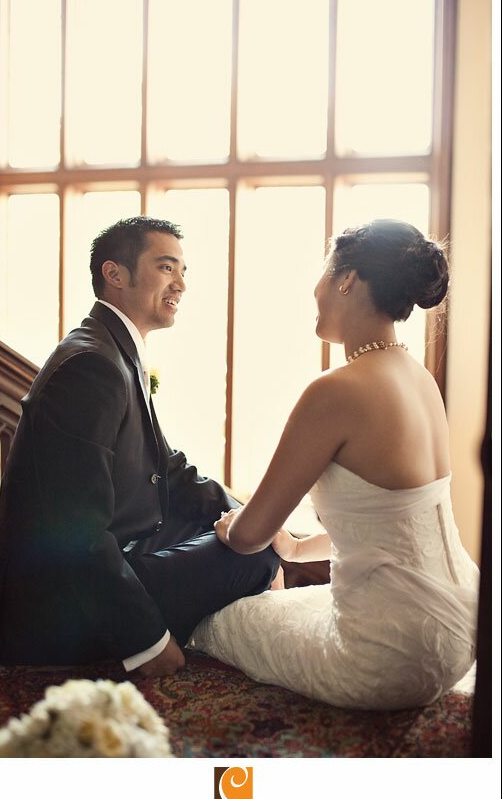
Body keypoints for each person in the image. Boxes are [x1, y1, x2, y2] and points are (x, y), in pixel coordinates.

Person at [192, 219, 479, 711]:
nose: (317, 286)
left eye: (324, 270)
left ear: (346, 279)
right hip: (463, 627)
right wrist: (297, 547)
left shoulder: (335, 390)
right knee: (287, 607)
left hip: (389, 655)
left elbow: (247, 537)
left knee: (210, 623)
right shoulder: (420, 380)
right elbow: (392, 523)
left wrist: (227, 525)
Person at [0, 216, 279, 677]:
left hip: (109, 554)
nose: (180, 282)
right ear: (114, 274)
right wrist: (148, 641)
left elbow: (170, 469)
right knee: (254, 555)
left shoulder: (113, 349)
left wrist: (250, 517)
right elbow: (76, 531)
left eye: (183, 270)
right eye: (166, 267)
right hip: (45, 613)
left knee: (248, 537)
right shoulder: (91, 366)